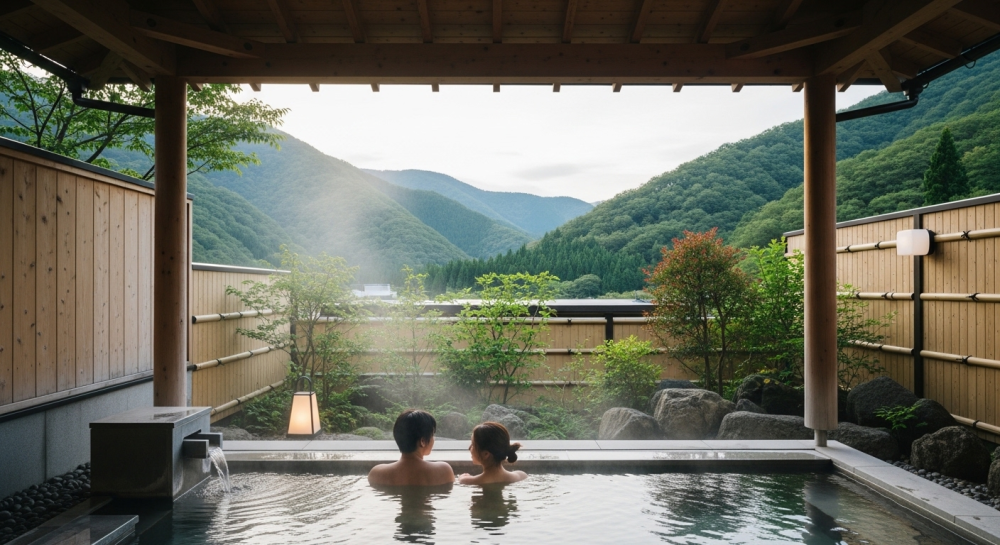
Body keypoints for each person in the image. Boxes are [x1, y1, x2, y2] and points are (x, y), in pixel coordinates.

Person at [368, 409, 456, 486]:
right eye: (432, 434)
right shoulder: (443, 471)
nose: (434, 439)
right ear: (423, 441)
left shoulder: (376, 473)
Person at [457, 422, 527, 485]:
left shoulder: (466, 481)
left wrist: (461, 478)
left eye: (473, 444)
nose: (469, 448)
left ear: (486, 454)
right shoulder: (521, 476)